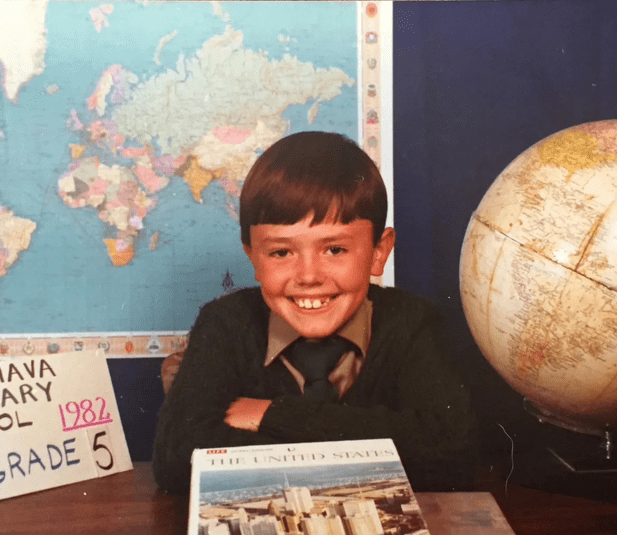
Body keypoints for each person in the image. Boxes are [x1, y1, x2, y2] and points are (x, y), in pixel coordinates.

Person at [152, 132, 477, 493]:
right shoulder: (225, 323)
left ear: (378, 252)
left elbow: (455, 455)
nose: (308, 277)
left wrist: (273, 415)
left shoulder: (413, 323)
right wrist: (378, 446)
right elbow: (176, 460)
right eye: (281, 253)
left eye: (335, 250)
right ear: (253, 257)